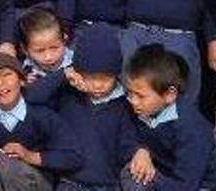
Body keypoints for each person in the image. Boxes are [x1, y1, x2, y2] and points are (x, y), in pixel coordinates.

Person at [25, 24, 145, 191]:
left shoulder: (124, 104)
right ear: (78, 73)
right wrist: (63, 74)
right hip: (68, 184)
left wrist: (141, 151)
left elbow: (128, 143)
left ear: (116, 75)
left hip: (107, 186)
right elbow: (31, 98)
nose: (97, 85)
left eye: (105, 78)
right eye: (90, 77)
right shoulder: (67, 95)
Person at [0, 49, 82, 191]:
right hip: (2, 183)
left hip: (39, 181)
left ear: (21, 80)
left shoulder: (41, 114)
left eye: (6, 74)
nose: (1, 84)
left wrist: (31, 156)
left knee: (7, 161)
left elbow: (73, 157)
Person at [125, 45, 216, 190]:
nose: (133, 101)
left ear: (169, 95)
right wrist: (140, 150)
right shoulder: (140, 108)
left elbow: (186, 185)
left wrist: (150, 174)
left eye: (140, 96)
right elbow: (125, 136)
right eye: (130, 93)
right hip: (163, 175)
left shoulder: (192, 129)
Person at [18, 7, 73, 83]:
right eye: (40, 51)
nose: (48, 57)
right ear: (25, 49)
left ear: (64, 39)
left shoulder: (77, 62)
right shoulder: (25, 71)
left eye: (54, 48)